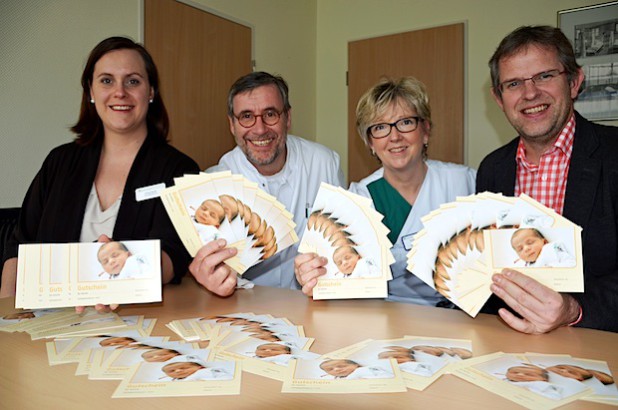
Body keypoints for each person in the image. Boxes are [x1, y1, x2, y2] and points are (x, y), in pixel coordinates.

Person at [0, 37, 200, 305]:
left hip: (133, 325)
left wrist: (129, 270)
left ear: (150, 92)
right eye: (107, 80)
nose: (120, 92)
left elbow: (174, 255)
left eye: (133, 81)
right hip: (50, 323)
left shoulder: (179, 170)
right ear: (91, 92)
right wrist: (7, 314)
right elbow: (19, 246)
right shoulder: (59, 162)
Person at [477, 25, 618, 333]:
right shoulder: (492, 169)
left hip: (599, 344)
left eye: (544, 76)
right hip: (508, 343)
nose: (530, 93)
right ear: (499, 98)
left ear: (574, 81)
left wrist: (574, 310)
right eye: (513, 83)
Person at [295, 76, 476, 306]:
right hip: (388, 312)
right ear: (370, 143)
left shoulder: (465, 182)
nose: (394, 136)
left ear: (426, 130)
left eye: (406, 122)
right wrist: (313, 273)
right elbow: (339, 274)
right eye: (380, 128)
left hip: (458, 311)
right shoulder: (359, 198)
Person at [189, 71, 344, 296]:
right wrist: (209, 278)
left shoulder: (324, 163)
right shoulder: (214, 185)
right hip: (244, 305)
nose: (260, 129)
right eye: (246, 116)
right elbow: (211, 269)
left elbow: (341, 244)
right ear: (232, 125)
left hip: (312, 302)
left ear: (288, 118)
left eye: (270, 114)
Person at [510, 228, 575, 268]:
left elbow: (572, 263)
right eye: (520, 249)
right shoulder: (523, 265)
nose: (526, 249)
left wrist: (553, 268)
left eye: (530, 242)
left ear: (544, 242)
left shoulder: (551, 250)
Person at [319, 359, 394, 380]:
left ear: (355, 365)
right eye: (330, 369)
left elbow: (388, 376)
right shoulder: (334, 379)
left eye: (342, 366)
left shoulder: (362, 370)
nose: (336, 369)